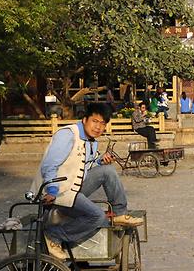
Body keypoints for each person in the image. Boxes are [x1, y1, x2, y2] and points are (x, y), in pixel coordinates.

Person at [32, 103, 143, 260]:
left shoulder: (91, 141)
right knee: (98, 216)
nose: (98, 127)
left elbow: (84, 165)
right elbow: (50, 165)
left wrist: (99, 161)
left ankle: (119, 213)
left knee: (108, 170)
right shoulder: (68, 135)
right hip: (57, 192)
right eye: (95, 121)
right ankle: (53, 236)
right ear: (84, 120)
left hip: (73, 189)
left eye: (102, 124)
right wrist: (51, 191)